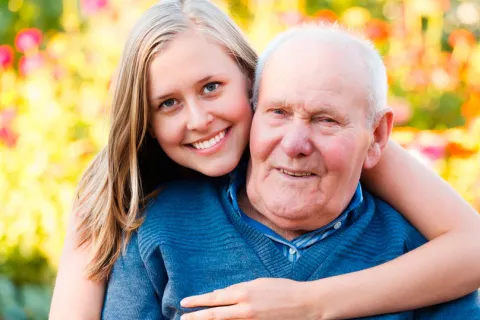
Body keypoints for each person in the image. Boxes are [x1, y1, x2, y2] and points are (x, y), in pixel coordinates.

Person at [49, 1, 480, 319]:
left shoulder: (350, 146)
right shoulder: (127, 203)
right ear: (144, 119)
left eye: (212, 87)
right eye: (167, 104)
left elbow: (472, 248)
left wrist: (309, 304)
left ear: (250, 80)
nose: (199, 119)